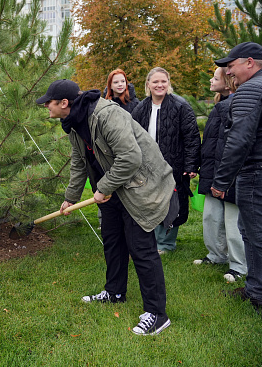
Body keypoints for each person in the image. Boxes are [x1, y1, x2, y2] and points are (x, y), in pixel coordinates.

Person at [37, 79, 175, 336]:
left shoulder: (107, 115)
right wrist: (71, 197)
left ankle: (157, 314)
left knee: (141, 248)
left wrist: (103, 188)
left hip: (138, 185)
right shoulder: (74, 123)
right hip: (112, 190)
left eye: (49, 103)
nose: (46, 107)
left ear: (64, 103)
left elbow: (131, 158)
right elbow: (79, 161)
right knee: (113, 241)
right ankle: (115, 292)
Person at [211, 42, 262, 316]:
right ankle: (255, 290)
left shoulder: (252, 88)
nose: (227, 71)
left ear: (250, 62)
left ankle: (256, 290)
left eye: (230, 65)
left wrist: (221, 182)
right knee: (250, 232)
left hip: (258, 173)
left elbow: (239, 140)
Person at [131, 67, 201, 253]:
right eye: (155, 82)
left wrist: (191, 164)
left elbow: (192, 138)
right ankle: (152, 240)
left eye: (163, 81)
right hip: (147, 166)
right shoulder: (141, 107)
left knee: (171, 204)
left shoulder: (180, 106)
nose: (159, 85)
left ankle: (166, 244)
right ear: (148, 85)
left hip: (173, 164)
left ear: (168, 83)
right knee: (150, 203)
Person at [195, 67, 246, 282]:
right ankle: (216, 254)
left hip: (232, 174)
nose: (210, 80)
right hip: (212, 172)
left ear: (228, 82)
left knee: (233, 222)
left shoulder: (237, 105)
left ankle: (239, 265)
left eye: (215, 77)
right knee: (211, 217)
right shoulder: (219, 105)